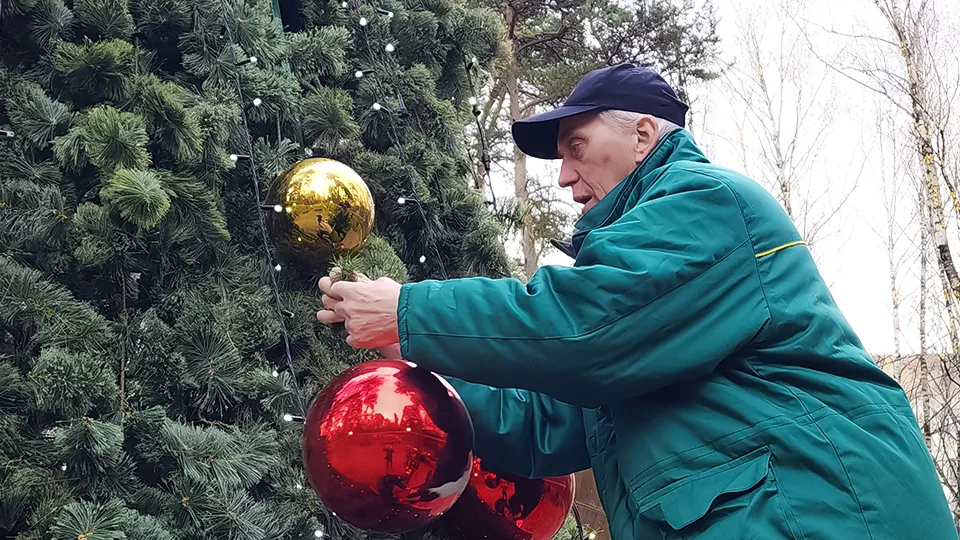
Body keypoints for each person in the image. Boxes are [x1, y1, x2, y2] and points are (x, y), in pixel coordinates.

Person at [317, 63, 957, 539]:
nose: (564, 176)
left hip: (823, 517)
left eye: (575, 148)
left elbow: (589, 328)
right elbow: (547, 419)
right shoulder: (644, 290)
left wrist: (414, 312)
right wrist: (421, 363)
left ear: (645, 134)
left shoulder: (705, 202)